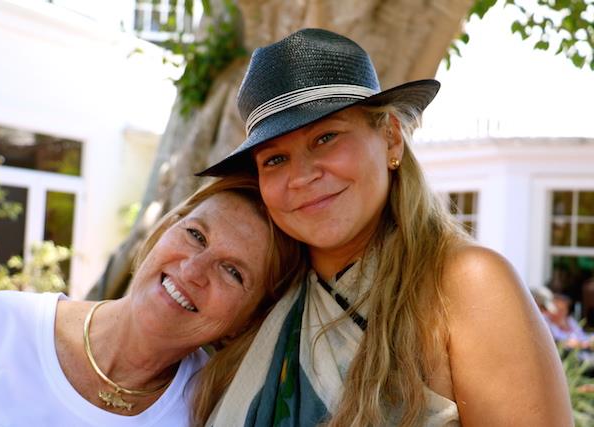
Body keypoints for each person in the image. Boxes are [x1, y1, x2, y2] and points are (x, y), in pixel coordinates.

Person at [197, 28, 572, 426]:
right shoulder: (260, 302)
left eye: (326, 137)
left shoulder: (466, 285)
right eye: (274, 159)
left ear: (391, 137)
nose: (302, 176)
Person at [0, 175, 303, 427]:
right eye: (196, 235)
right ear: (164, 230)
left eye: (232, 271)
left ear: (249, 319)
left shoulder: (216, 415)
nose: (192, 270)